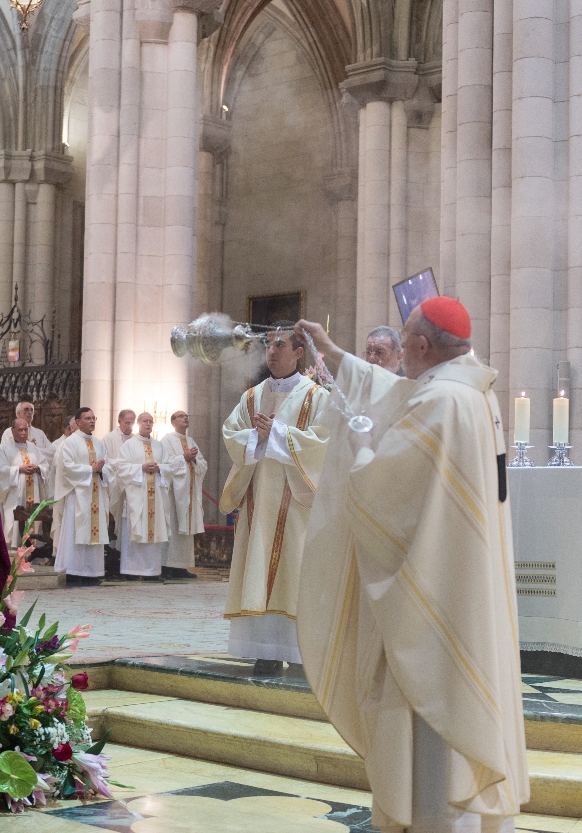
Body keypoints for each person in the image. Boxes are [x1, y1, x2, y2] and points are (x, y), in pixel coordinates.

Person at [295, 299, 528, 833]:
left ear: (422, 346)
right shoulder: (472, 392)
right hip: (461, 584)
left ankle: (434, 817)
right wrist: (336, 354)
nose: (400, 348)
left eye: (404, 339)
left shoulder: (442, 401)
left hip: (432, 596)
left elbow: (380, 494)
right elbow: (397, 393)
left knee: (429, 712)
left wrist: (360, 447)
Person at [220, 322, 330, 675]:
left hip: (296, 503)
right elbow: (231, 433)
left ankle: (299, 650)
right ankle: (265, 649)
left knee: (294, 570)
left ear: (299, 352)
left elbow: (324, 442)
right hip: (258, 499)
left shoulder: (316, 397)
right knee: (258, 567)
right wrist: (255, 437)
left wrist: (278, 433)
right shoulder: (252, 397)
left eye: (280, 345)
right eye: (268, 344)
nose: (271, 351)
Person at [53, 407, 110, 586]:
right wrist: (90, 469)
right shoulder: (70, 442)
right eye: (88, 418)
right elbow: (66, 467)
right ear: (77, 422)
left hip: (96, 494)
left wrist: (102, 470)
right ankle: (73, 571)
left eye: (93, 418)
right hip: (77, 496)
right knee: (75, 531)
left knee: (94, 532)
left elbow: (108, 467)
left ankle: (92, 572)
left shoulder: (99, 443)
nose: (92, 421)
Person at [112, 413, 170, 581]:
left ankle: (152, 571)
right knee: (135, 530)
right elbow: (121, 467)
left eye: (151, 421)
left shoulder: (159, 446)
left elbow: (170, 467)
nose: (148, 424)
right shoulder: (129, 445)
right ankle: (132, 570)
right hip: (136, 498)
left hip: (155, 499)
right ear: (138, 424)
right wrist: (141, 468)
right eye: (145, 421)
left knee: (154, 531)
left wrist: (160, 468)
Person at [160, 410, 208, 580]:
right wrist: (183, 457)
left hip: (188, 494)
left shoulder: (190, 441)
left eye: (187, 416)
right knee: (173, 529)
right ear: (173, 421)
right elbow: (164, 465)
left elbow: (203, 464)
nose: (185, 418)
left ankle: (181, 567)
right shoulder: (166, 440)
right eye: (181, 416)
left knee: (186, 532)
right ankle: (166, 566)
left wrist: (193, 460)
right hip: (174, 494)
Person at [0, 418, 48, 548]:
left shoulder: (33, 447)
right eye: (20, 430)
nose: (23, 433)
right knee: (16, 520)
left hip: (33, 492)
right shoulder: (6, 449)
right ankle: (15, 546)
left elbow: (45, 464)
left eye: (25, 430)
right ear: (13, 431)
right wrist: (18, 469)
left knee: (33, 519)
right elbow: (0, 469)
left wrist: (38, 468)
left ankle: (33, 549)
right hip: (15, 495)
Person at [102, 409, 136, 543]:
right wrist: (122, 464)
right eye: (127, 422)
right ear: (119, 422)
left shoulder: (136, 439)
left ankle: (126, 544)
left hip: (132, 484)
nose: (129, 426)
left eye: (132, 423)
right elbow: (104, 460)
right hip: (115, 483)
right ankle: (113, 546)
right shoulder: (108, 439)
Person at [48, 414, 78, 540]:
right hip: (67, 493)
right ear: (70, 428)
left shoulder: (90, 444)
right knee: (66, 530)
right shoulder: (62, 445)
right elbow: (58, 468)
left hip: (84, 494)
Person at [0, 401, 54, 468]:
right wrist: (29, 447)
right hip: (18, 471)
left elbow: (51, 453)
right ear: (18, 414)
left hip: (35, 471)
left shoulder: (40, 433)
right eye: (26, 410)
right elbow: (4, 454)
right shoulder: (9, 432)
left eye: (31, 410)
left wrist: (33, 448)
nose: (30, 412)